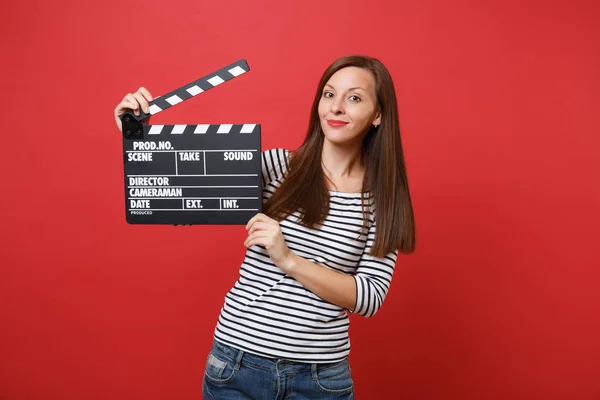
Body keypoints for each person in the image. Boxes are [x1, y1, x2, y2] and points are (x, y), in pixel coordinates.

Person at [114, 55, 416, 399]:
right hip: (236, 363)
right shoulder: (276, 168)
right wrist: (135, 135)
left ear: (378, 115)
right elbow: (178, 200)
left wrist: (289, 259)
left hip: (320, 379)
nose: (336, 108)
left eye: (354, 98)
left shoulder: (383, 200)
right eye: (329, 95)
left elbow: (368, 297)